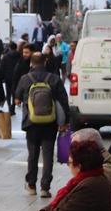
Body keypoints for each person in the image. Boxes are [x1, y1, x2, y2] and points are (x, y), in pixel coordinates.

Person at [15, 53, 71, 198]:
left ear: (31, 63)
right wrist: (65, 122)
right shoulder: (54, 79)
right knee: (47, 155)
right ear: (45, 62)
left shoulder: (25, 79)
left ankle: (31, 185)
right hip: (50, 122)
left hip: (31, 122)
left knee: (32, 154)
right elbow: (64, 101)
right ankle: (45, 187)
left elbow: (16, 98)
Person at [0, 43, 22, 117]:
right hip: (17, 77)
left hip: (8, 77)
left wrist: (2, 77)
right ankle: (13, 108)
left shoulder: (5, 57)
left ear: (9, 48)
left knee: (8, 94)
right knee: (15, 93)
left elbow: (2, 67)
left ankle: (10, 107)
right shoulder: (20, 56)